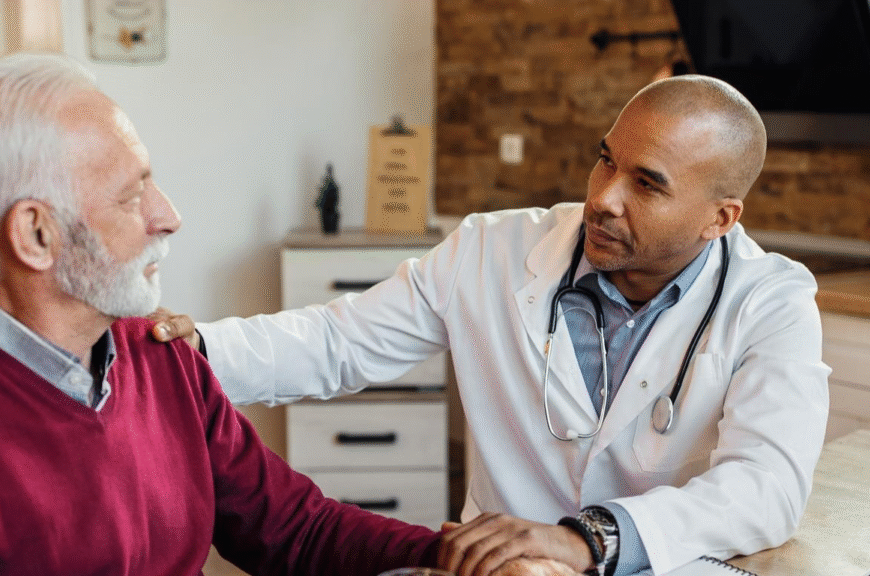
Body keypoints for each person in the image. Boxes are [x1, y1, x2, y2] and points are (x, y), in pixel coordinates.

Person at [153, 74, 830, 576]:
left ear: (721, 219)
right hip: (494, 568)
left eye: (646, 184)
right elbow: (338, 343)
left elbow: (764, 486)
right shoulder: (492, 249)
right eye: (605, 159)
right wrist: (192, 350)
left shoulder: (770, 302)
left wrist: (593, 537)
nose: (603, 197)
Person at [0, 53, 447, 576]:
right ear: (36, 235)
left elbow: (297, 531)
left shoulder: (160, 353)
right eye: (132, 197)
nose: (169, 216)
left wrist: (453, 556)